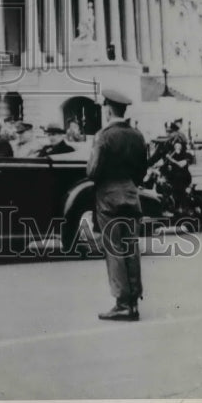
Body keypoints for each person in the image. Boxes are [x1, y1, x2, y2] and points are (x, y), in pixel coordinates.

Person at [86, 88, 148, 322]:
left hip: (108, 197)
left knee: (114, 249)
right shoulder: (137, 134)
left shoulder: (103, 135)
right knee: (131, 249)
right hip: (131, 193)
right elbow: (142, 168)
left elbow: (93, 171)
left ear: (108, 109)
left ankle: (122, 303)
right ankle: (133, 301)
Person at [161, 138, 192, 209]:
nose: (177, 148)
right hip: (173, 176)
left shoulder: (187, 155)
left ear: (182, 147)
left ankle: (182, 207)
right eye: (176, 146)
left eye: (179, 146)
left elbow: (181, 165)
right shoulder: (172, 154)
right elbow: (165, 165)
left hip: (184, 177)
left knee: (179, 188)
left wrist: (171, 159)